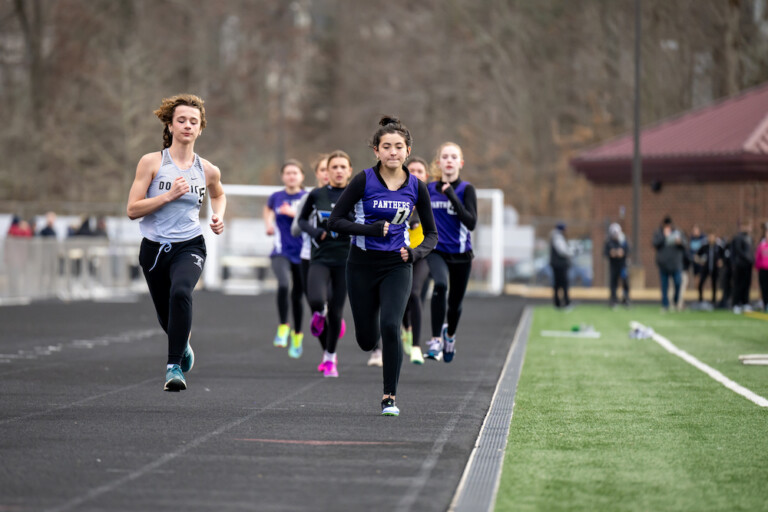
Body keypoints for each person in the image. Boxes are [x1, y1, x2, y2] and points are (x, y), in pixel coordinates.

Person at [328, 116, 437, 416]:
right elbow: (335, 221)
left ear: (407, 150)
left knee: (391, 325)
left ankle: (389, 396)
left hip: (397, 265)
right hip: (361, 265)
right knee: (366, 340)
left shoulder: (417, 186)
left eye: (398, 147)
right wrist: (371, 230)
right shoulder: (363, 180)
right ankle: (369, 336)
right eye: (386, 146)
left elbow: (431, 235)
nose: (392, 152)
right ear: (376, 151)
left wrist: (414, 255)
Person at [126, 93, 226, 391]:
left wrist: (218, 215)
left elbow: (218, 193)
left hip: (190, 245)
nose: (187, 125)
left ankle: (173, 369)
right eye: (181, 120)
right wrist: (168, 195)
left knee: (182, 292)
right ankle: (182, 344)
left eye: (193, 122)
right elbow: (132, 209)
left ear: (200, 128)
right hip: (154, 249)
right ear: (169, 126)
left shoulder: (207, 169)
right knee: (166, 317)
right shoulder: (152, 162)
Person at [298, 150, 353, 375]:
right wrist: (315, 232)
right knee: (316, 300)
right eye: (334, 167)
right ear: (327, 171)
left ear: (349, 171)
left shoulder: (356, 195)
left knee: (337, 311)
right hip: (320, 258)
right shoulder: (317, 195)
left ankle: (330, 358)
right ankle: (318, 313)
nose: (338, 171)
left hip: (346, 260)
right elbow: (301, 220)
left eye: (343, 167)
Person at [423, 143, 477, 363]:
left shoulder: (466, 189)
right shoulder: (428, 189)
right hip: (437, 250)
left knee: (455, 305)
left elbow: (471, 222)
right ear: (438, 163)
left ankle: (450, 336)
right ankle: (435, 339)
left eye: (454, 157)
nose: (449, 160)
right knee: (441, 286)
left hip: (461, 254)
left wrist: (452, 196)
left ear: (460, 163)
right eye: (445, 156)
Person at [264, 160, 307, 352]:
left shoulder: (308, 197)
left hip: (303, 253)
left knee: (298, 295)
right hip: (281, 251)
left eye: (295, 173)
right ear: (283, 176)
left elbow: (314, 219)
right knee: (282, 284)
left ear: (302, 176)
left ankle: (297, 335)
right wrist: (268, 224)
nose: (291, 176)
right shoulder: (276, 196)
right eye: (288, 173)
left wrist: (294, 213)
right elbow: (267, 209)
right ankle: (283, 327)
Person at [400, 156, 430, 365]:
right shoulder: (397, 195)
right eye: (412, 170)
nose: (416, 174)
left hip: (422, 255)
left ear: (426, 176)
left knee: (415, 293)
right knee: (401, 299)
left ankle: (417, 345)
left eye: (420, 171)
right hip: (398, 254)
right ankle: (405, 328)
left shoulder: (428, 198)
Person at [291, 153, 329, 304]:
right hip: (310, 256)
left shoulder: (346, 196)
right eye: (323, 169)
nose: (327, 173)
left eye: (330, 169)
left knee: (333, 303)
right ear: (317, 173)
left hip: (338, 255)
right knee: (316, 303)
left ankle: (334, 324)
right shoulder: (308, 198)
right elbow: (295, 230)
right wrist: (310, 222)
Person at [652, 216, 686, 312]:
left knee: (678, 283)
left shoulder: (677, 232)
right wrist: (664, 236)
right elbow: (654, 243)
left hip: (675, 264)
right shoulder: (659, 233)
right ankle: (665, 305)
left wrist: (680, 242)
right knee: (664, 287)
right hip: (663, 264)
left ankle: (675, 300)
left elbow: (685, 244)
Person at [604, 222, 630, 308]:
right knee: (613, 283)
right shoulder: (609, 241)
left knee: (625, 282)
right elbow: (606, 253)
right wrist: (614, 253)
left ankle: (625, 299)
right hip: (613, 265)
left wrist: (622, 252)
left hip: (622, 265)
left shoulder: (623, 240)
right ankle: (613, 300)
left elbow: (627, 250)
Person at [731, 220, 754, 313]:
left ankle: (745, 303)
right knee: (738, 285)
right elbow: (739, 251)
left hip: (748, 266)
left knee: (747, 284)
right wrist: (748, 258)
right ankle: (736, 304)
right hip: (740, 265)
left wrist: (752, 260)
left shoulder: (750, 238)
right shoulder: (738, 238)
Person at [549, 222, 573, 309]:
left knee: (559, 284)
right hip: (560, 265)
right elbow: (562, 251)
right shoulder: (557, 237)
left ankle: (558, 303)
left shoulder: (556, 236)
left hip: (558, 265)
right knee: (563, 284)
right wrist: (571, 252)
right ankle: (564, 303)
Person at [696, 231, 724, 305]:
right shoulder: (704, 247)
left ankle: (713, 301)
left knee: (714, 285)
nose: (711, 238)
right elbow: (696, 256)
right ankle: (700, 300)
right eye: (709, 236)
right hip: (705, 269)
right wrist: (700, 261)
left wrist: (721, 262)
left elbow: (723, 257)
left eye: (712, 236)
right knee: (700, 284)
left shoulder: (718, 247)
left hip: (715, 269)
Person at [755, 223, 768, 311]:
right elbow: (758, 257)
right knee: (764, 288)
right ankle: (765, 304)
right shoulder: (762, 245)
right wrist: (759, 267)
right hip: (763, 270)